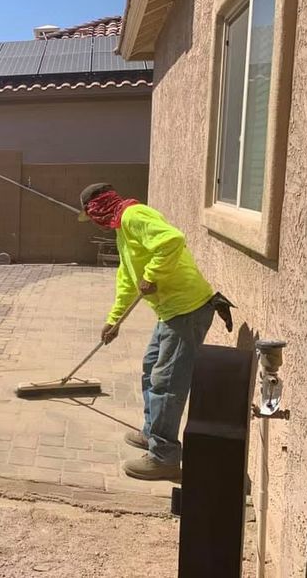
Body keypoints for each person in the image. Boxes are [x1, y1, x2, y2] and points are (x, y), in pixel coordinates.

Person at [78, 183, 229, 481]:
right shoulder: (123, 229)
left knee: (167, 381)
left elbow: (173, 240)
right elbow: (126, 279)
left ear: (99, 207)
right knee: (151, 369)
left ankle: (164, 457)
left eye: (92, 215)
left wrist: (152, 275)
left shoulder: (134, 215)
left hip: (188, 309)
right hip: (170, 311)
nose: (94, 222)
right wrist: (115, 320)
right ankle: (152, 433)